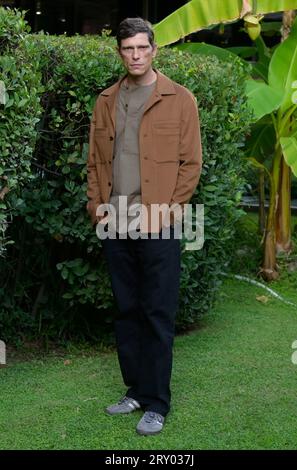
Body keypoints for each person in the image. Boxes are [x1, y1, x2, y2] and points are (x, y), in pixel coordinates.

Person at [86, 17, 202, 436]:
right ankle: (135, 390)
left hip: (158, 221)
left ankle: (157, 401)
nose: (135, 55)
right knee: (127, 309)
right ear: (120, 52)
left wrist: (171, 211)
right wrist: (96, 205)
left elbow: (192, 164)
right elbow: (95, 162)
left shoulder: (179, 99)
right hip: (115, 221)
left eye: (141, 48)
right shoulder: (106, 100)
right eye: (127, 49)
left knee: (157, 312)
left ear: (154, 50)